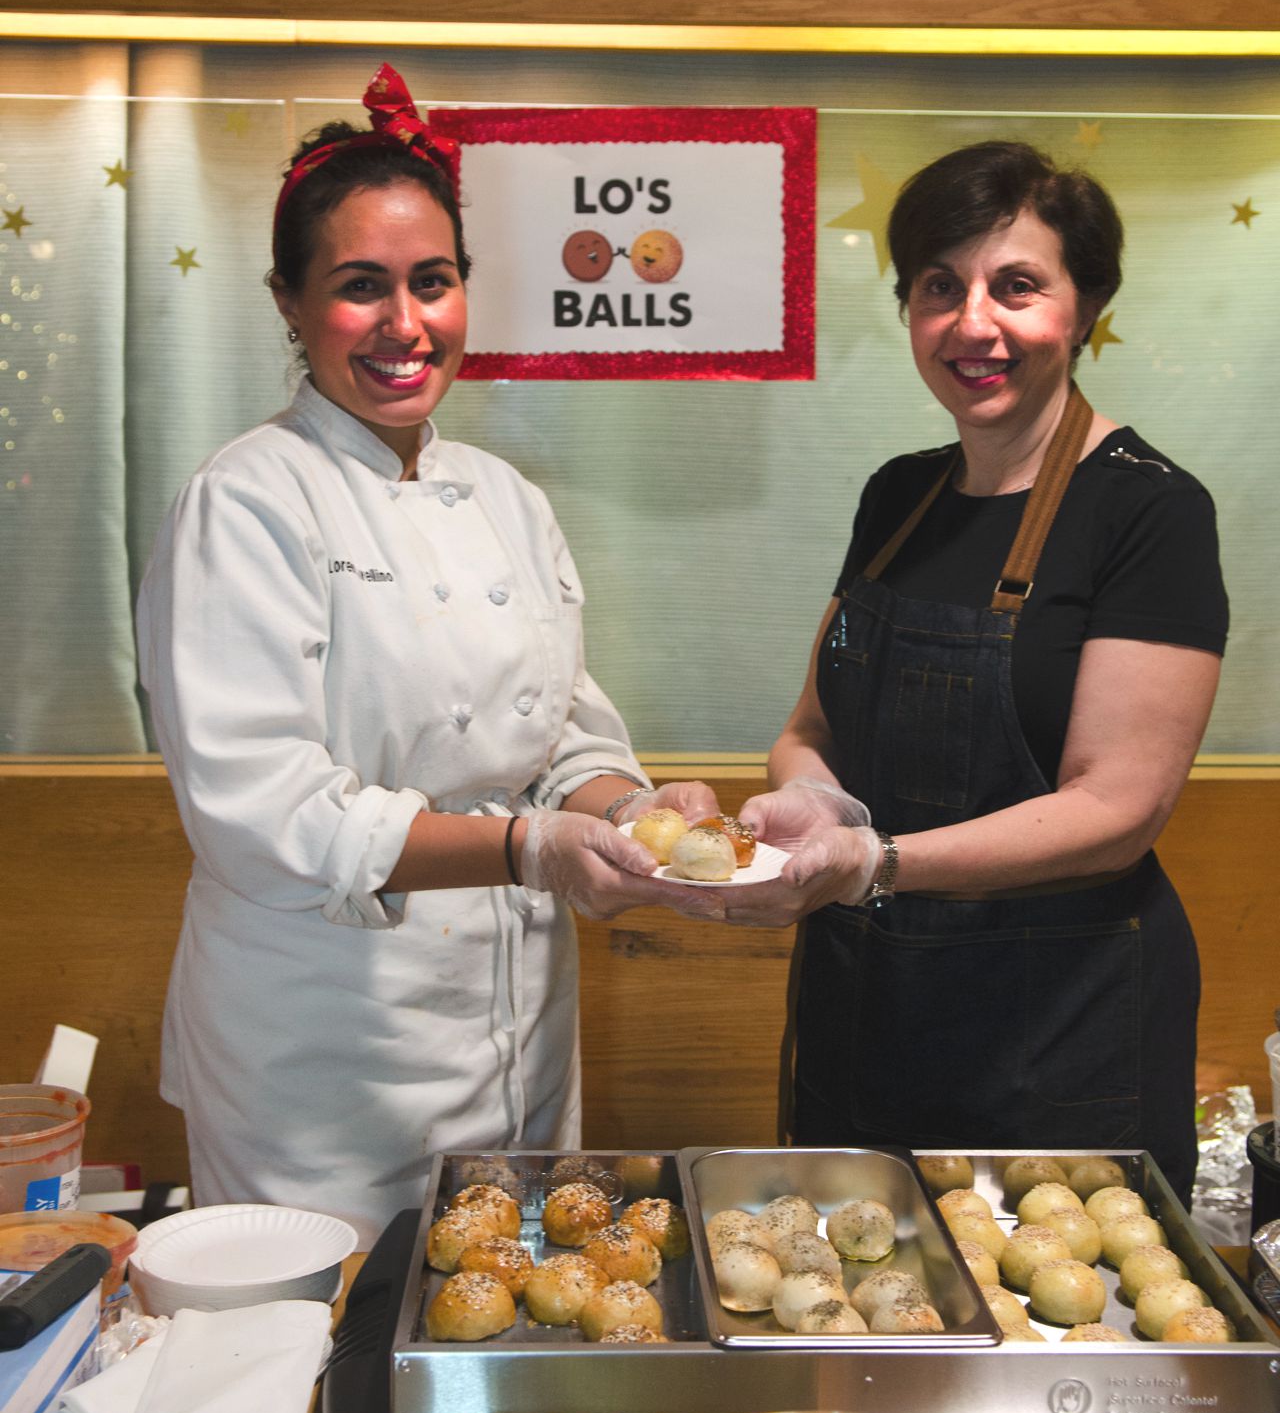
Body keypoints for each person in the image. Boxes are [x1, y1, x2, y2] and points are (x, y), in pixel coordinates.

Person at [136, 64, 717, 1247]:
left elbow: (560, 734)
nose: (405, 324)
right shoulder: (245, 501)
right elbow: (266, 810)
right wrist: (528, 848)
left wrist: (636, 814)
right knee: (324, 1342)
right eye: (361, 286)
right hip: (324, 1065)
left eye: (432, 282)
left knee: (508, 1313)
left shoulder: (505, 498)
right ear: (289, 302)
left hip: (515, 1037)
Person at [724, 141, 1227, 1203]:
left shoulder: (1148, 511)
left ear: (1084, 308)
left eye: (1017, 286)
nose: (972, 322)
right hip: (866, 1020)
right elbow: (812, 727)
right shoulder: (898, 496)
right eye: (939, 287)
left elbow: (1117, 808)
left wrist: (875, 862)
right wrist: (811, 804)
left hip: (1058, 1045)